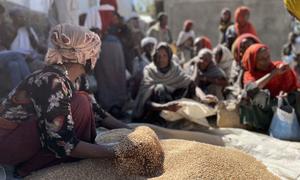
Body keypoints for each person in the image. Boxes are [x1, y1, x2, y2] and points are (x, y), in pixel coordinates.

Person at [0, 24, 129, 177]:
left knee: (84, 102)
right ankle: (28, 168)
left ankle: (52, 162)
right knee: (80, 103)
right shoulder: (51, 81)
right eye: (94, 52)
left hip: (29, 138)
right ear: (83, 56)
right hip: (8, 144)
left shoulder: (77, 79)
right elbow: (61, 140)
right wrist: (116, 152)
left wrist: (131, 130)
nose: (97, 57)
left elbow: (96, 112)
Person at [132, 43, 217, 125]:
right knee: (160, 88)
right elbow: (145, 102)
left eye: (164, 56)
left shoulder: (175, 69)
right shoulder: (149, 70)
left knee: (188, 87)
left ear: (169, 57)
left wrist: (203, 97)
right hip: (155, 110)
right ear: (154, 58)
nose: (161, 59)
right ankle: (160, 122)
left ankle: (181, 119)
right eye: (158, 56)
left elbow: (191, 84)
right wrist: (164, 106)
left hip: (171, 106)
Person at [240, 43, 300, 131]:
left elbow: (292, 88)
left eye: (268, 57)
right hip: (264, 110)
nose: (267, 61)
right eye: (262, 59)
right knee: (254, 95)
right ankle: (260, 127)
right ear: (253, 61)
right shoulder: (249, 74)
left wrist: (285, 94)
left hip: (283, 105)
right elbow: (251, 89)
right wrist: (273, 74)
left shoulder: (279, 67)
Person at [94, 18, 128, 118]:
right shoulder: (114, 39)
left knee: (105, 79)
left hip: (106, 55)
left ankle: (111, 109)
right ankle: (116, 108)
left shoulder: (103, 42)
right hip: (115, 56)